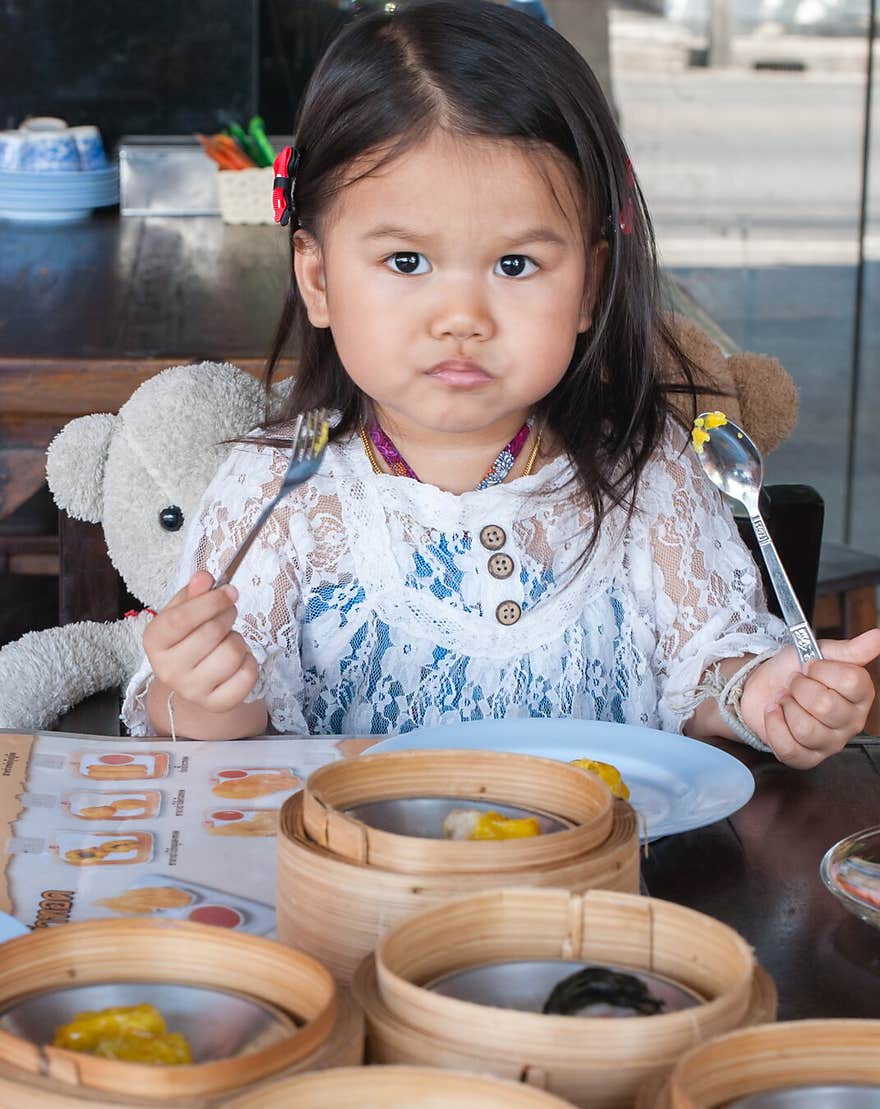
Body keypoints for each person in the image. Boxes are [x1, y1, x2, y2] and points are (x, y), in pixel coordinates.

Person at [125, 0, 880, 767]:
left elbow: (710, 667)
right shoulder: (274, 491)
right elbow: (208, 731)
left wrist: (763, 695)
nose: (462, 318)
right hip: (356, 881)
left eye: (515, 265)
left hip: (599, 880)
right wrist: (197, 693)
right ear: (317, 279)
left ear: (589, 287)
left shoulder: (649, 471)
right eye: (407, 262)